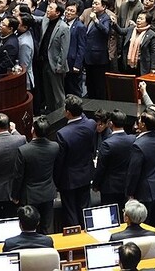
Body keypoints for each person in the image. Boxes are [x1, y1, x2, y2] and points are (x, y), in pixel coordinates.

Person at [54, 94, 97, 227]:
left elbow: (60, 161)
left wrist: (56, 180)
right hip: (86, 174)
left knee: (71, 212)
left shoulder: (62, 134)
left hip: (69, 179)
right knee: (85, 209)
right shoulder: (91, 124)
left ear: (67, 112)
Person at [125, 109, 155, 234]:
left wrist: (130, 193)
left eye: (139, 120)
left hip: (146, 191)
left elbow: (133, 173)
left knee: (146, 224)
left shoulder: (139, 145)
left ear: (143, 125)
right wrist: (154, 112)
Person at [12, 116, 60, 233]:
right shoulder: (55, 147)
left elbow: (18, 176)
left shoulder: (23, 150)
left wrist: (15, 196)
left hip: (30, 196)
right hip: (48, 193)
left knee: (29, 229)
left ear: (33, 130)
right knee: (46, 228)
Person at [93, 109, 134, 212]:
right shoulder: (132, 139)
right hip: (125, 185)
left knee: (110, 215)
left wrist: (95, 185)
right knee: (123, 213)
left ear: (110, 123)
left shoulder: (107, 144)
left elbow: (101, 168)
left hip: (109, 187)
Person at [38, 1, 70, 113]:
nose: (47, 9)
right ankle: (51, 115)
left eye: (51, 8)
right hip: (45, 62)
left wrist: (59, 66)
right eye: (48, 7)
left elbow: (64, 50)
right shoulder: (45, 20)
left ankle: (61, 116)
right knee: (48, 92)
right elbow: (36, 19)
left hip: (56, 65)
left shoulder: (64, 27)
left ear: (57, 13)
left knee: (58, 94)